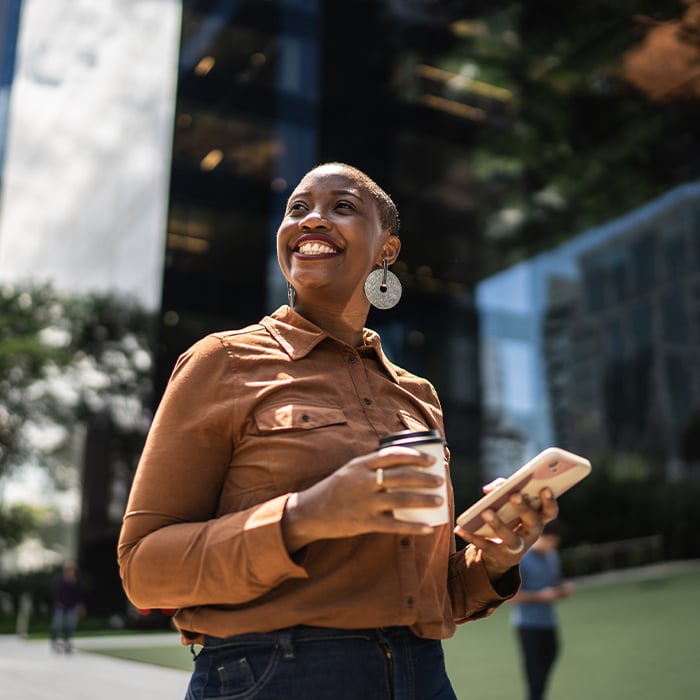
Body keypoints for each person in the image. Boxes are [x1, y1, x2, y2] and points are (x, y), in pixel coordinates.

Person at [118, 162, 559, 699]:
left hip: (423, 676)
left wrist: (492, 558)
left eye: (342, 207)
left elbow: (425, 594)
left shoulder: (417, 397)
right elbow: (143, 568)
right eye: (297, 209)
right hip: (272, 675)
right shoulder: (222, 362)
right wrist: (306, 516)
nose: (312, 220)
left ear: (387, 251)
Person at [511, 519, 575, 700]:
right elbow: (512, 596)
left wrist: (563, 588)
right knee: (535, 676)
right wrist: (540, 596)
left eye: (556, 543)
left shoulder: (552, 556)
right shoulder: (522, 559)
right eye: (550, 541)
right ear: (540, 537)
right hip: (527, 625)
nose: (552, 546)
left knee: (551, 655)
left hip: (549, 621)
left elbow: (554, 581)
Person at [49, 561, 84, 653]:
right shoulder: (60, 580)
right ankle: (54, 641)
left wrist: (79, 605)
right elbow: (55, 592)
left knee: (69, 625)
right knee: (57, 625)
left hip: (71, 606)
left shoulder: (75, 581)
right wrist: (57, 602)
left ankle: (67, 642)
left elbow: (78, 595)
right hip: (60, 606)